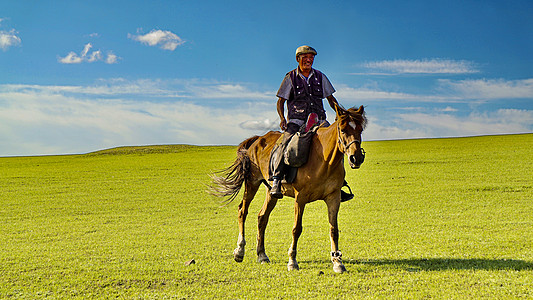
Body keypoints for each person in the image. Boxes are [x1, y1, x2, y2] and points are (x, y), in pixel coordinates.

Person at [270, 45, 354, 201]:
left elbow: (331, 99)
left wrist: (339, 113)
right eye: (305, 57)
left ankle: (339, 183)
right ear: (298, 59)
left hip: (319, 120)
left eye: (311, 57)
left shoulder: (320, 77)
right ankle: (276, 180)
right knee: (284, 144)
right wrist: (282, 118)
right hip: (297, 120)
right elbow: (280, 101)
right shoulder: (290, 78)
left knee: (337, 141)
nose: (309, 60)